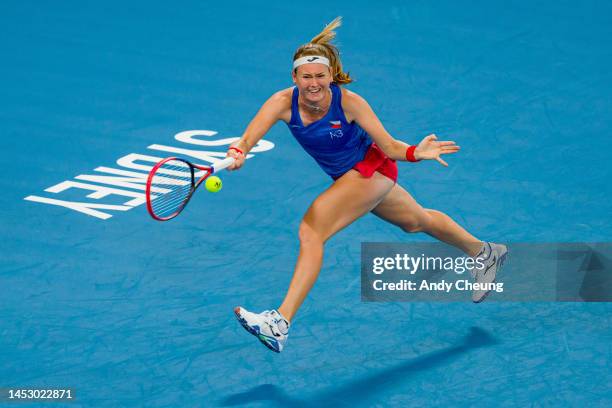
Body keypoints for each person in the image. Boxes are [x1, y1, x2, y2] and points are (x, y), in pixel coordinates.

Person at [226, 17, 507, 353]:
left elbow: (389, 147)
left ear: (330, 76)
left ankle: (280, 322)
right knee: (416, 221)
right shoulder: (281, 103)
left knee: (311, 231)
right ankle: (485, 252)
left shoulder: (350, 103)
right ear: (294, 77)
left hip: (371, 169)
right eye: (306, 76)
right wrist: (238, 151)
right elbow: (248, 137)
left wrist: (418, 151)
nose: (314, 83)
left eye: (320, 76)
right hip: (350, 178)